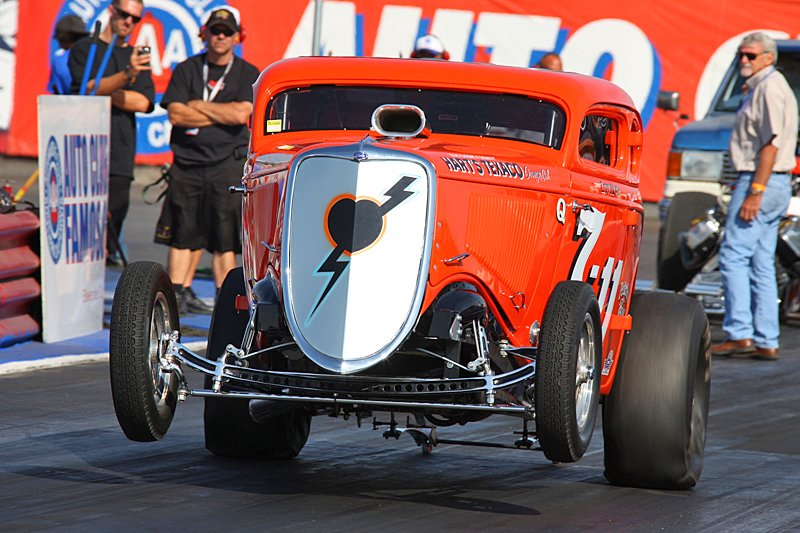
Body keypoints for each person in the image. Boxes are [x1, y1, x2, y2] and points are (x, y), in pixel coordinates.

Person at [158, 6, 259, 313]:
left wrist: (197, 105)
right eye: (215, 31)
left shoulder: (247, 73)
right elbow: (176, 114)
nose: (220, 36)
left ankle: (224, 299)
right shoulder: (187, 69)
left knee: (224, 237)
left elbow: (240, 114)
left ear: (237, 37)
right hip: (187, 162)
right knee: (182, 232)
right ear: (205, 34)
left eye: (227, 32)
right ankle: (177, 295)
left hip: (226, 164)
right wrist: (219, 113)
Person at [711, 32, 798, 361]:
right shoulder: (764, 86)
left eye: (750, 55)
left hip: (761, 181)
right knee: (761, 261)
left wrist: (756, 191)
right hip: (774, 182)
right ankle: (766, 338)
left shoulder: (769, 88)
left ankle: (740, 333)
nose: (743, 60)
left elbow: (770, 145)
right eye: (740, 54)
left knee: (733, 254)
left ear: (768, 58)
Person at [68, 0, 154, 264]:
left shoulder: (136, 56)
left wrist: (106, 89)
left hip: (119, 151)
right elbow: (87, 89)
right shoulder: (87, 48)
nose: (129, 22)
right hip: (85, 148)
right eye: (124, 14)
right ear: (111, 11)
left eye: (135, 19)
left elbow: (143, 103)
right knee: (81, 231)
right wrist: (126, 76)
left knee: (111, 229)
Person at [48, 14, 88, 94]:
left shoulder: (59, 62)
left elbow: (56, 95)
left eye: (59, 40)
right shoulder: (97, 56)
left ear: (64, 39)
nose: (59, 45)